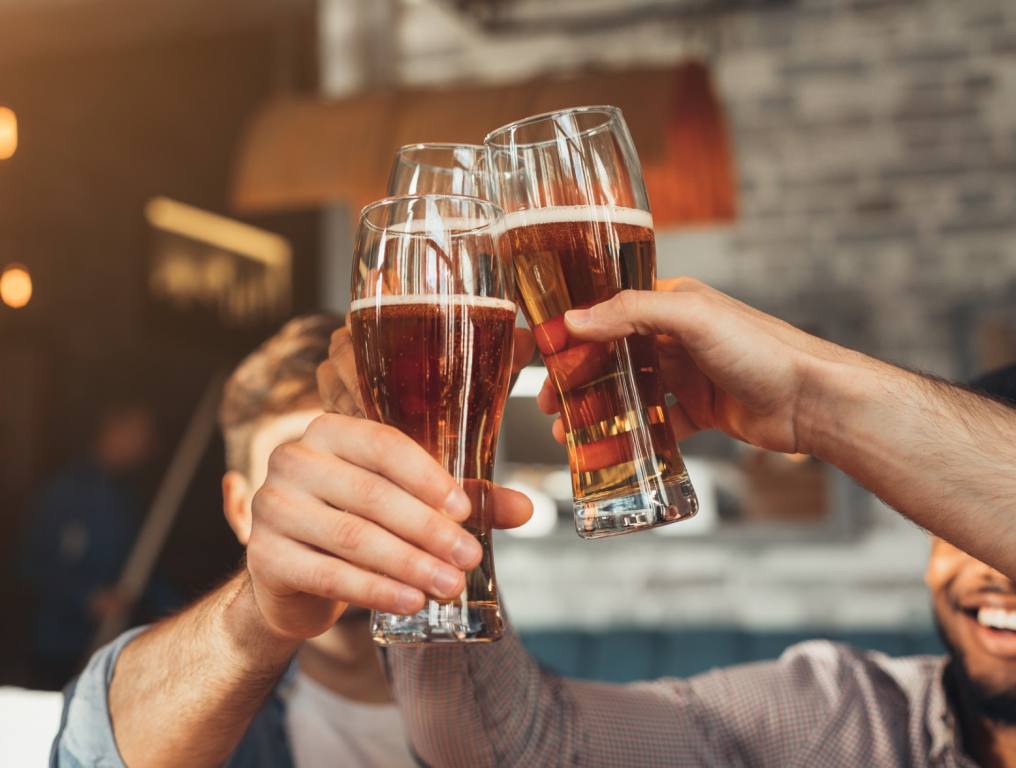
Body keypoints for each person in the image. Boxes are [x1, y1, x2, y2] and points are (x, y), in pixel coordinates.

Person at [57, 280, 1016, 766]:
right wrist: (268, 606)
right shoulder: (855, 721)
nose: (992, 572)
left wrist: (818, 403)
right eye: (960, 539)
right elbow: (520, 747)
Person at [54, 315, 462, 767]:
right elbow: (91, 744)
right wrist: (261, 616)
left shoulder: (516, 715)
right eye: (298, 466)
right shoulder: (204, 723)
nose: (340, 491)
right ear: (239, 507)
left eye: (364, 454)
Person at [19, 400, 158, 690]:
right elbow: (31, 563)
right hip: (58, 646)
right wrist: (88, 597)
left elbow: (137, 568)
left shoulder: (126, 499)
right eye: (138, 433)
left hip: (109, 645)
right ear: (113, 430)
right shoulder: (65, 491)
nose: (146, 445)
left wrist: (176, 609)